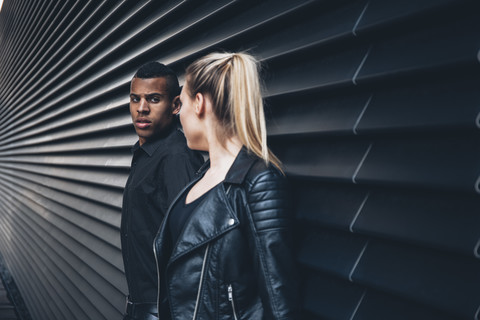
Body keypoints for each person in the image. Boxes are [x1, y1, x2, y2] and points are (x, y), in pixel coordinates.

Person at [153, 52, 300, 319]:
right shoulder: (200, 177)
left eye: (181, 103)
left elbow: (280, 304)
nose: (179, 115)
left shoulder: (258, 183)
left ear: (198, 103)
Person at [121, 62, 204, 320]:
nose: (142, 109)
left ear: (176, 105)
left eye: (153, 99)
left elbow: (190, 248)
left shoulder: (176, 157)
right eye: (135, 99)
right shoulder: (147, 153)